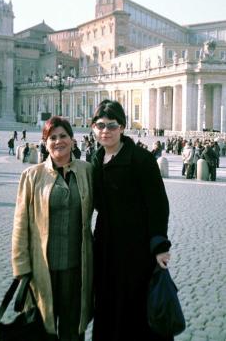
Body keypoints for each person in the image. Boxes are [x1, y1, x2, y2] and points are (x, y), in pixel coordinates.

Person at [91, 100, 171, 341]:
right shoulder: (95, 160)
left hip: (136, 249)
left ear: (123, 127)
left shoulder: (141, 159)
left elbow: (158, 205)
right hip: (106, 246)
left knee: (135, 309)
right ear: (94, 128)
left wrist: (159, 246)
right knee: (108, 305)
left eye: (112, 125)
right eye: (100, 125)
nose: (105, 131)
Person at [12, 116, 94, 341]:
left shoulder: (87, 171)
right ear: (45, 143)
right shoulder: (32, 176)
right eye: (52, 137)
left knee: (73, 332)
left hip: (78, 269)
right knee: (43, 331)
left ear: (72, 140)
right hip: (42, 270)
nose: (59, 141)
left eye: (63, 136)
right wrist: (21, 268)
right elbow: (20, 224)